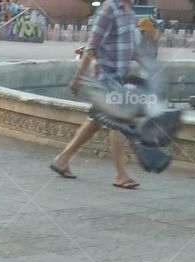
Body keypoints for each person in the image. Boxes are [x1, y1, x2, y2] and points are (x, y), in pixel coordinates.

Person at [49, 0, 140, 189]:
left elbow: (127, 45)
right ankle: (120, 175)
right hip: (106, 77)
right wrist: (78, 77)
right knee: (118, 122)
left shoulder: (129, 11)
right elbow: (91, 48)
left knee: (95, 122)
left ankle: (62, 159)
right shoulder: (109, 10)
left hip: (119, 78)